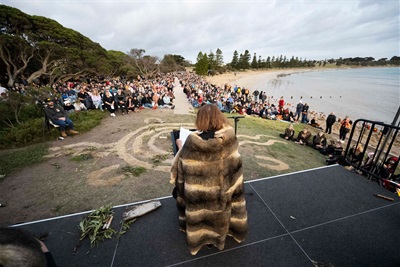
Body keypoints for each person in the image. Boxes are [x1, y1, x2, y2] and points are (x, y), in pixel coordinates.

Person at [170, 104, 248, 255]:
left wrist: (180, 146)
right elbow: (236, 169)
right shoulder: (230, 137)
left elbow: (181, 175)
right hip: (225, 194)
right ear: (220, 117)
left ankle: (202, 237)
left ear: (200, 120)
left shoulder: (192, 143)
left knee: (183, 197)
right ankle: (226, 231)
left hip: (200, 197)